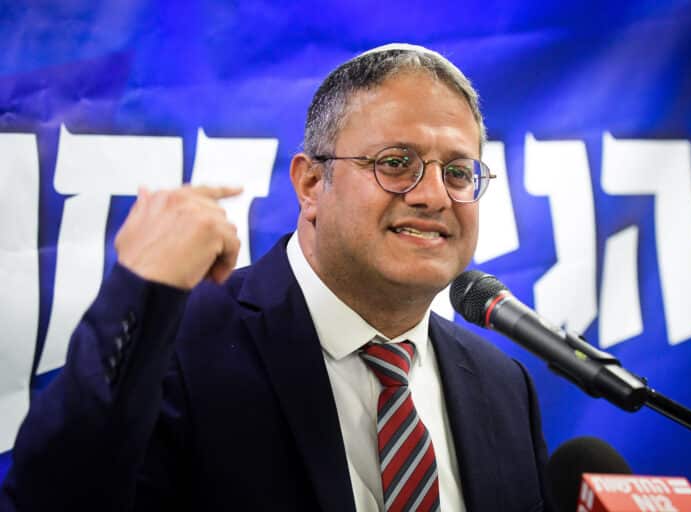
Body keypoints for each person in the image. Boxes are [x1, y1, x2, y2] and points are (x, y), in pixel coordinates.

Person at [0, 44, 553, 511]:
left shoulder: (502, 385)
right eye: (395, 163)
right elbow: (52, 499)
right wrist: (139, 288)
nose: (433, 195)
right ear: (311, 184)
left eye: (458, 172)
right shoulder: (179, 346)